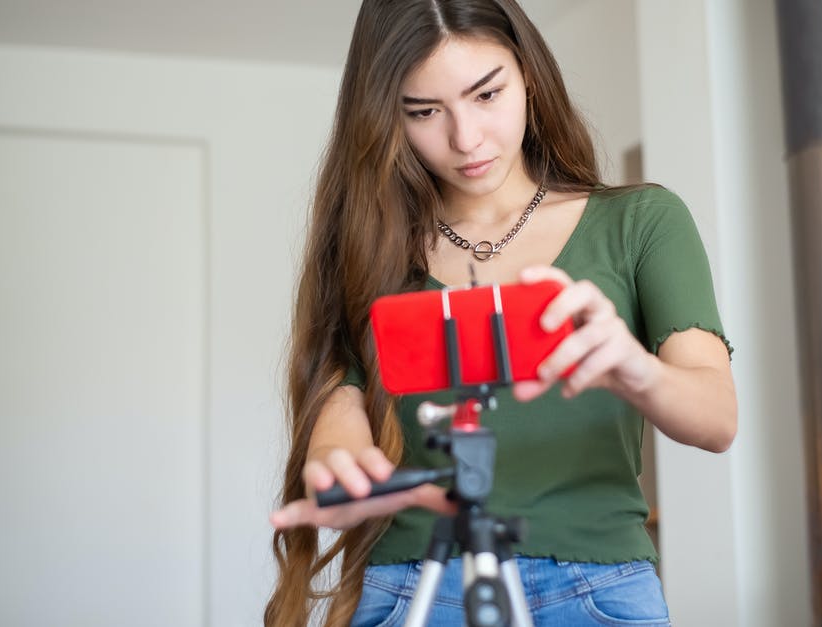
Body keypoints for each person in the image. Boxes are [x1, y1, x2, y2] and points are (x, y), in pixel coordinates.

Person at [265, 1, 737, 625]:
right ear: (385, 118)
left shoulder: (640, 222)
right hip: (412, 589)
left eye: (486, 94)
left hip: (595, 589)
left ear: (529, 74)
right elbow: (341, 390)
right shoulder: (370, 246)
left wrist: (634, 367)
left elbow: (716, 420)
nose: (466, 139)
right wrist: (337, 452)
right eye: (425, 112)